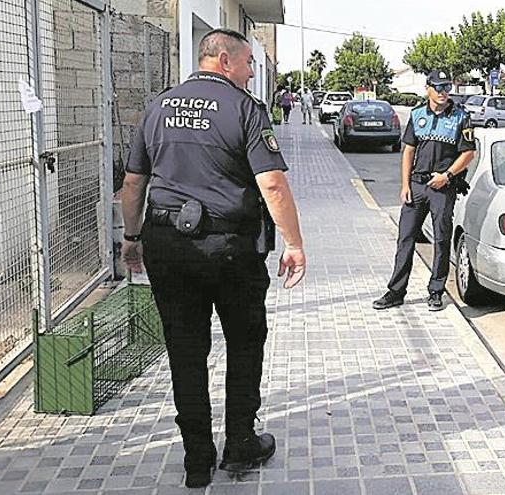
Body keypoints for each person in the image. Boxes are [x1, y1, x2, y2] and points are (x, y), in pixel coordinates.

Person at [119, 28, 307, 488]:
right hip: (230, 251)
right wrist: (295, 243)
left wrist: (130, 237)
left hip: (168, 247)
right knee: (244, 344)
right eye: (246, 64)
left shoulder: (158, 106)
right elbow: (273, 184)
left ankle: (196, 460)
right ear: (223, 59)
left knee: (186, 352)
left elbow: (132, 183)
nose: (249, 73)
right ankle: (240, 443)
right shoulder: (244, 109)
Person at [372, 70, 475, 312]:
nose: (442, 92)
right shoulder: (417, 114)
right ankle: (396, 292)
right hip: (417, 186)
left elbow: (468, 153)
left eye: (446, 87)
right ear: (427, 88)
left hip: (442, 187)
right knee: (405, 239)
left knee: (441, 239)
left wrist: (447, 176)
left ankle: (436, 292)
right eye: (438, 87)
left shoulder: (461, 117)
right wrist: (405, 184)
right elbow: (408, 150)